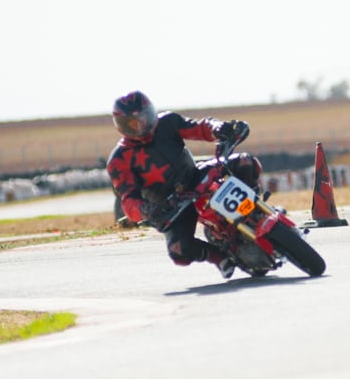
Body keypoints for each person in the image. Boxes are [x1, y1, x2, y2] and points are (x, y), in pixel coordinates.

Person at [107, 90, 262, 278]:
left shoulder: (168, 122)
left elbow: (200, 127)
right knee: (179, 250)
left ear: (151, 112)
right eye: (132, 124)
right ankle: (218, 258)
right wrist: (146, 210)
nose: (141, 126)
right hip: (171, 206)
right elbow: (128, 200)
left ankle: (257, 209)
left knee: (246, 162)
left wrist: (219, 128)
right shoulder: (119, 159)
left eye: (144, 118)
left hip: (196, 177)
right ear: (121, 126)